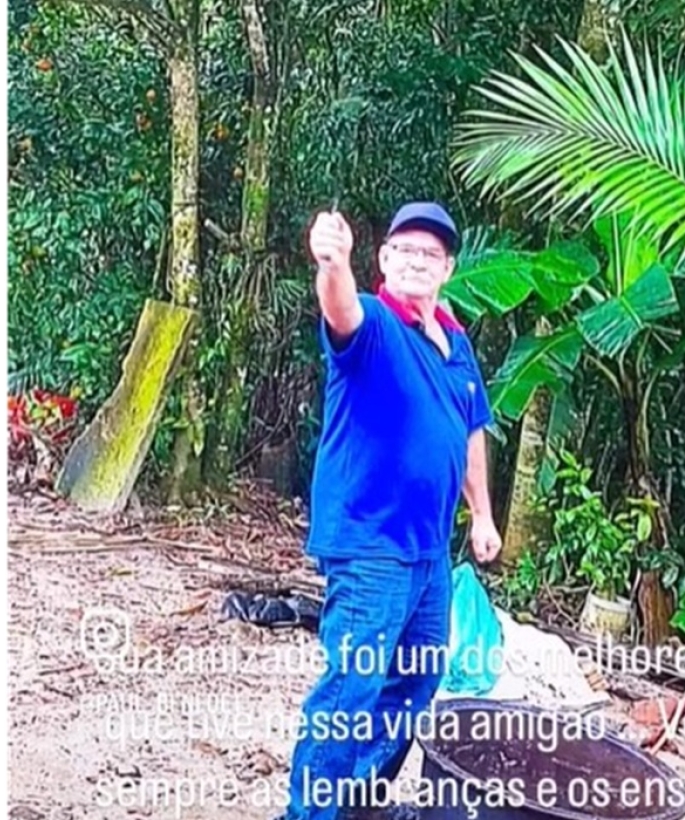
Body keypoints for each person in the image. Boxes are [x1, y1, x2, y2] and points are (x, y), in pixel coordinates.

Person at [282, 201, 503, 820]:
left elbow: (470, 431)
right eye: (404, 249)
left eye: (430, 253)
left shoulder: (456, 344)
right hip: (369, 544)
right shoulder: (375, 323)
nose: (416, 261)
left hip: (429, 552)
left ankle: (357, 801)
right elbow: (340, 310)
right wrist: (332, 263)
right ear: (382, 258)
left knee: (417, 679)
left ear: (448, 268)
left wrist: (482, 515)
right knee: (351, 688)